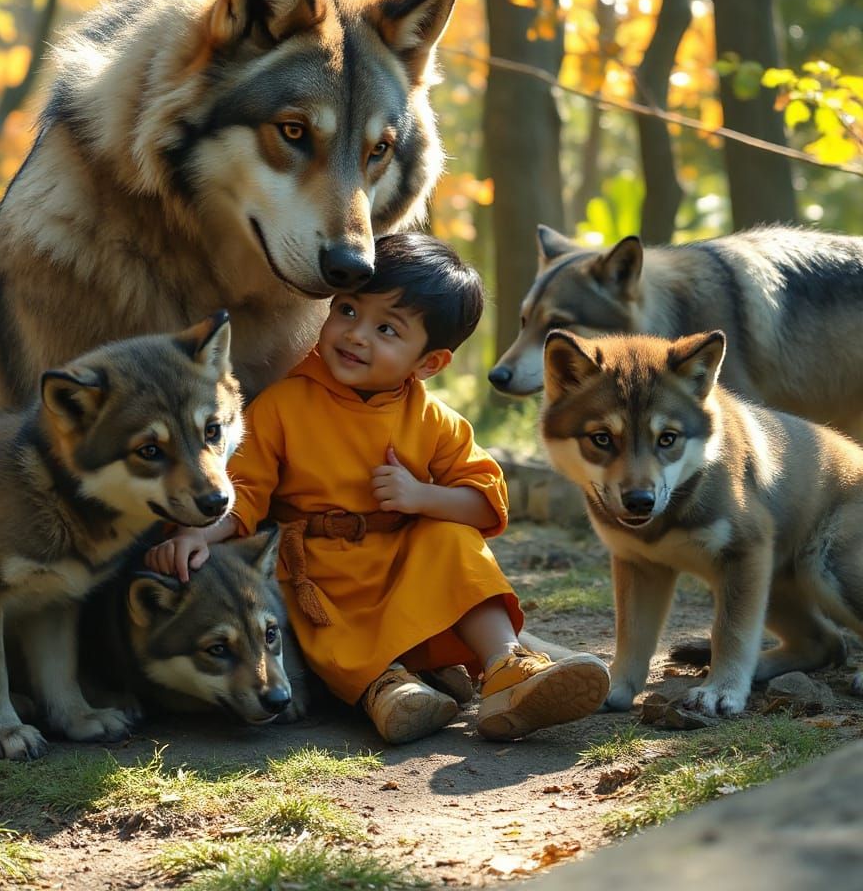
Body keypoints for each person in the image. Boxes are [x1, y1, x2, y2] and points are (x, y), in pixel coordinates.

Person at [145, 233, 610, 744]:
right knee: (311, 606)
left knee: (454, 542)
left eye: (386, 328)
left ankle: (507, 668)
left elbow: (484, 501)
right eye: (346, 311)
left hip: (399, 560)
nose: (355, 334)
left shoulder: (433, 419)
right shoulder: (284, 405)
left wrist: (421, 497)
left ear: (428, 363)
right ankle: (387, 689)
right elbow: (246, 492)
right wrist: (198, 536)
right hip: (318, 566)